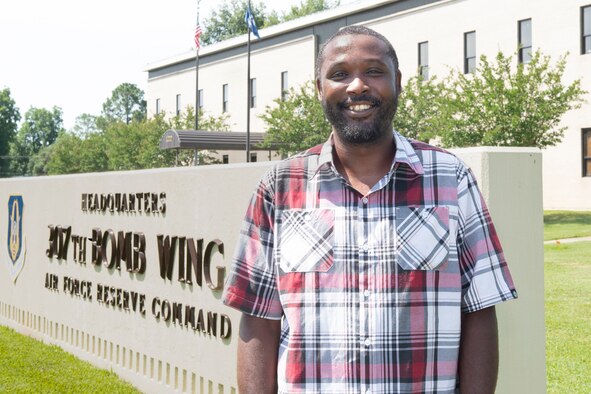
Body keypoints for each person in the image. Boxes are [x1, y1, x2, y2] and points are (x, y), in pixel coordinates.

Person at [223, 25, 517, 394]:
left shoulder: (451, 178)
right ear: (319, 89)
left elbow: (479, 310)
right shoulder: (279, 187)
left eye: (374, 71)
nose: (357, 86)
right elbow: (258, 319)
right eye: (340, 74)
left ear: (399, 82)